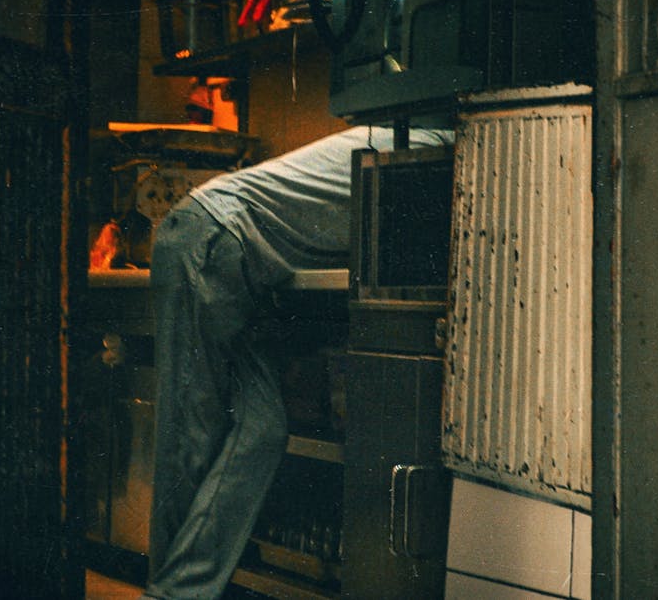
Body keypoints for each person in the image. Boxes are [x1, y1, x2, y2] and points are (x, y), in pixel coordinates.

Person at [143, 125, 454, 599]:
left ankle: (182, 586)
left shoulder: (412, 141)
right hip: (212, 240)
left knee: (262, 430)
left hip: (239, 258)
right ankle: (168, 593)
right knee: (191, 436)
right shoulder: (429, 153)